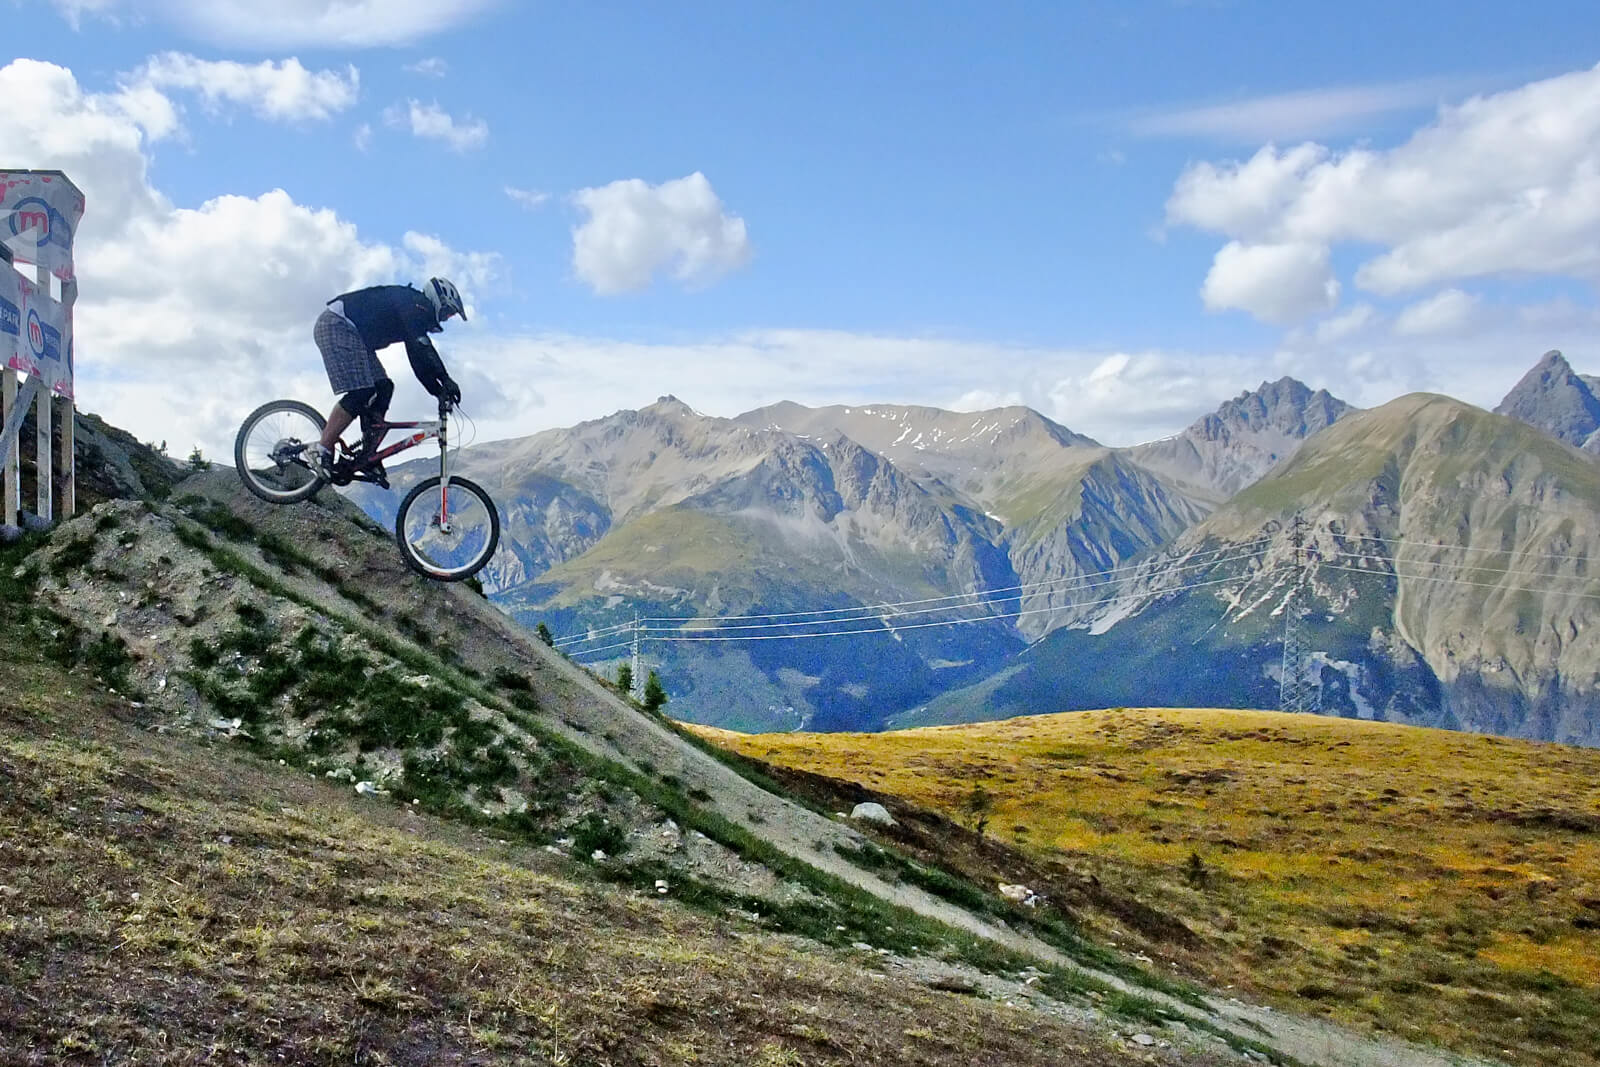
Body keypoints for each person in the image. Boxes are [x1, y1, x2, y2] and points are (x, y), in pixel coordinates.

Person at [305, 277, 466, 481]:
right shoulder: (415, 304)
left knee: (384, 387)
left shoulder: (415, 313)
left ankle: (366, 456)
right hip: (338, 324)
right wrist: (444, 379)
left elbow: (417, 358)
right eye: (447, 312)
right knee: (362, 392)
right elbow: (421, 347)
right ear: (437, 300)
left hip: (355, 335)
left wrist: (438, 390)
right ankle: (322, 449)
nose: (445, 318)